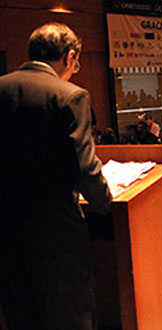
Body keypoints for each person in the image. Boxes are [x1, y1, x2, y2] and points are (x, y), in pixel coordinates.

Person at [0, 23, 112, 329]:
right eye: (75, 63)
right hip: (55, 234)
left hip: (6, 230)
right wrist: (107, 205)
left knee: (21, 316)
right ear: (70, 56)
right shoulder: (70, 96)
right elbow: (86, 168)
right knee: (70, 316)